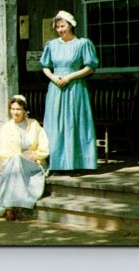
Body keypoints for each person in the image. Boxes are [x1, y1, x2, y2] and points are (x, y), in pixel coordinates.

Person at [39, 10, 99, 173]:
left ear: (71, 25)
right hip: (56, 88)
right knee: (56, 124)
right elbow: (45, 66)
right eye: (58, 27)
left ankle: (77, 163)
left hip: (75, 87)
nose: (60, 29)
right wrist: (53, 78)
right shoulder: (51, 45)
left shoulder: (82, 44)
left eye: (63, 26)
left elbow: (90, 67)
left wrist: (70, 77)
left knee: (74, 122)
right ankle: (57, 164)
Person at [0, 95, 50, 221]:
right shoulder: (6, 128)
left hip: (33, 164)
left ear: (25, 110)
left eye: (18, 109)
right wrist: (18, 158)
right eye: (12, 109)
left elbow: (44, 147)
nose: (15, 112)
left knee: (16, 162)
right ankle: (13, 205)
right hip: (14, 165)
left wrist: (35, 155)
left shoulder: (34, 125)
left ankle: (8, 206)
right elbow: (2, 153)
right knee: (16, 160)